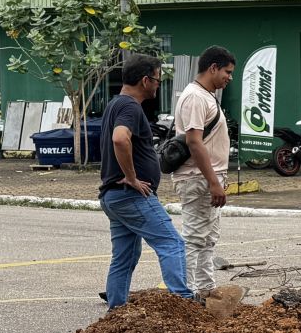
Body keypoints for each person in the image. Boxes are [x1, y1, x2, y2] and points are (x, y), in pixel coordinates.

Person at [98, 55, 191, 308]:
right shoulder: (130, 107)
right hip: (130, 195)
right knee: (172, 243)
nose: (159, 85)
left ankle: (116, 313)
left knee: (125, 257)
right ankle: (184, 305)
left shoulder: (115, 104)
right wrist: (131, 178)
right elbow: (120, 139)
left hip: (113, 197)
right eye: (158, 79)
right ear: (145, 80)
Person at [173, 45, 236, 297]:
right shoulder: (196, 97)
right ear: (213, 68)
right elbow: (194, 141)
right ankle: (184, 294)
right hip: (198, 179)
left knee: (208, 238)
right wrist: (213, 182)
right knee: (195, 238)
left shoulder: (205, 96)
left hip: (207, 179)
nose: (229, 78)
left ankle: (206, 289)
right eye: (227, 72)